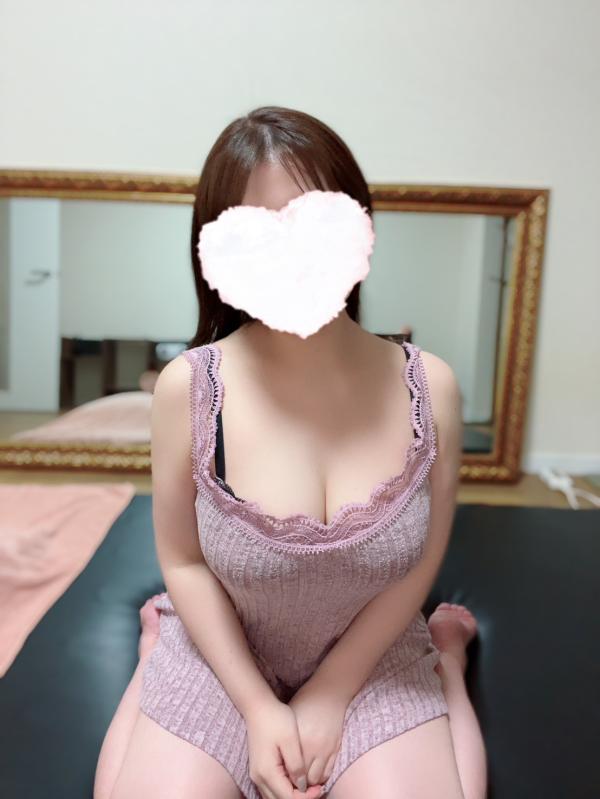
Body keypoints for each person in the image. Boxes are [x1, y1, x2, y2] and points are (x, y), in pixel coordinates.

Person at [94, 106, 488, 799]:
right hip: (222, 655)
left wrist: (332, 692)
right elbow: (183, 560)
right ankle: (155, 651)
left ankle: (446, 663)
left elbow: (424, 558)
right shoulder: (190, 387)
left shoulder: (433, 387)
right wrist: (256, 707)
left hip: (373, 655)